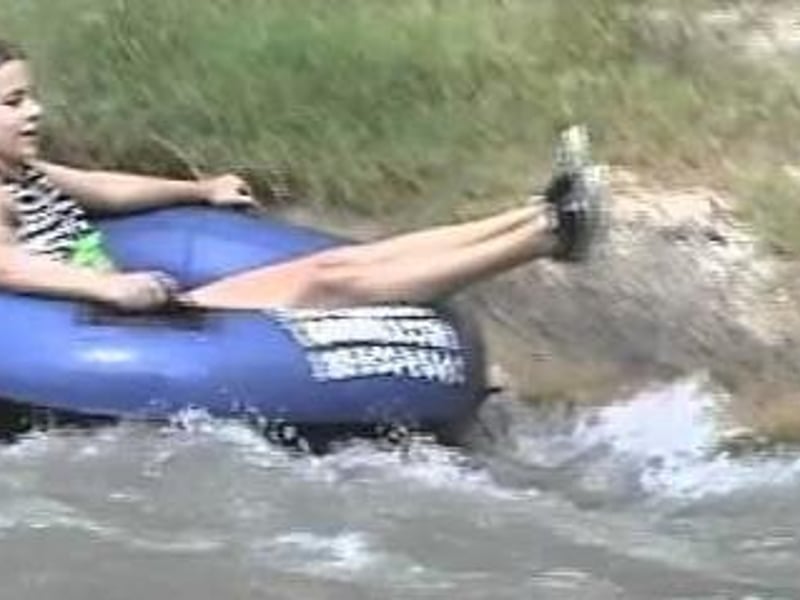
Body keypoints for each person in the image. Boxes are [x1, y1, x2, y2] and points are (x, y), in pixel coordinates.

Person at [0, 40, 607, 313]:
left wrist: (200, 188)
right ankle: (552, 236)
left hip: (144, 304)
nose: (35, 112)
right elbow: (8, 267)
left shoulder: (25, 172)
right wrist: (107, 289)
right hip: (127, 321)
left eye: (30, 96)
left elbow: (104, 187)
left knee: (355, 259)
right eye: (14, 102)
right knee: (328, 278)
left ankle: (537, 214)